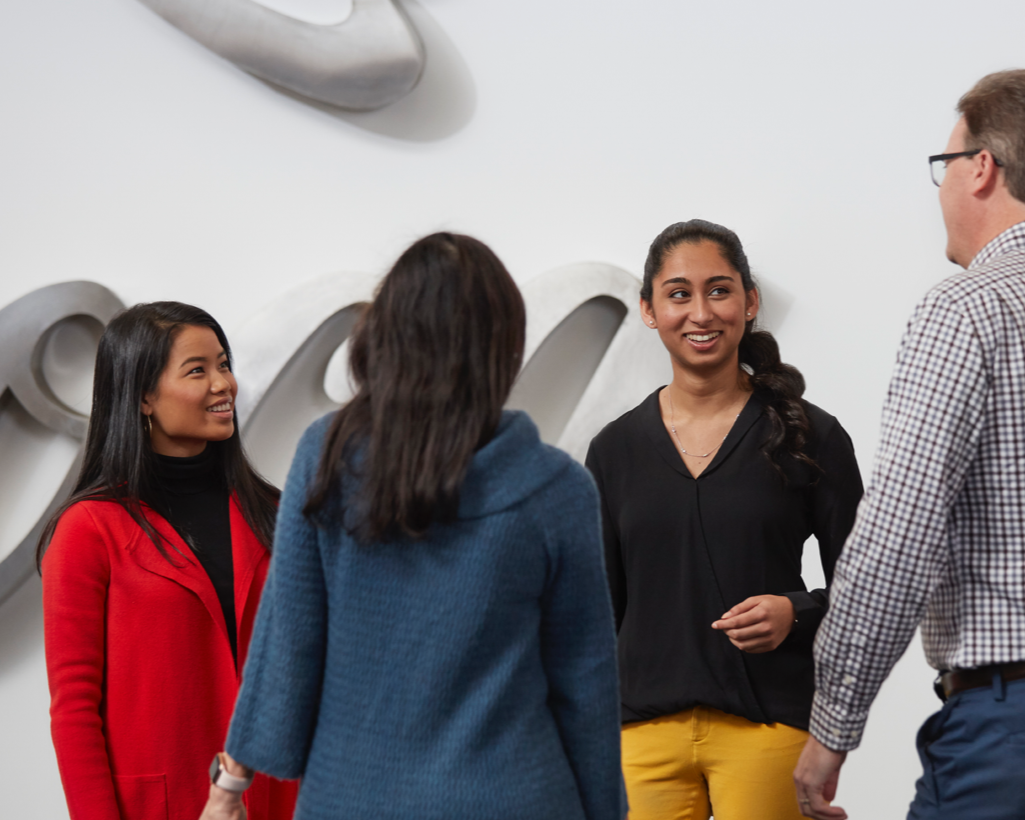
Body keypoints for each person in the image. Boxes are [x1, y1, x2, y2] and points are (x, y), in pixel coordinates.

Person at [199, 233, 625, 820]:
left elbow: (289, 636)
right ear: (502, 346)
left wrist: (230, 785)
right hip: (514, 797)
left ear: (387, 335)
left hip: (352, 799)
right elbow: (586, 682)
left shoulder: (325, 454)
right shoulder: (556, 487)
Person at [794, 69, 1025, 820]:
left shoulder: (968, 309)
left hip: (1008, 725)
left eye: (944, 166)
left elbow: (900, 527)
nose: (939, 191)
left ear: (981, 169)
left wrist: (833, 721)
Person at [585, 219, 863, 820]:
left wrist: (798, 610)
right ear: (649, 309)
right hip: (640, 737)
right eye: (678, 293)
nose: (700, 312)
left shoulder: (812, 433)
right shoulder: (613, 450)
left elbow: (868, 588)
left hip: (769, 726)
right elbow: (599, 611)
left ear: (749, 301)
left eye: (719, 289)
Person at [40, 302, 297, 820]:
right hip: (161, 805)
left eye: (223, 364)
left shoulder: (276, 513)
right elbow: (74, 712)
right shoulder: (89, 530)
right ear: (143, 398)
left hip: (282, 799)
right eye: (198, 370)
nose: (223, 384)